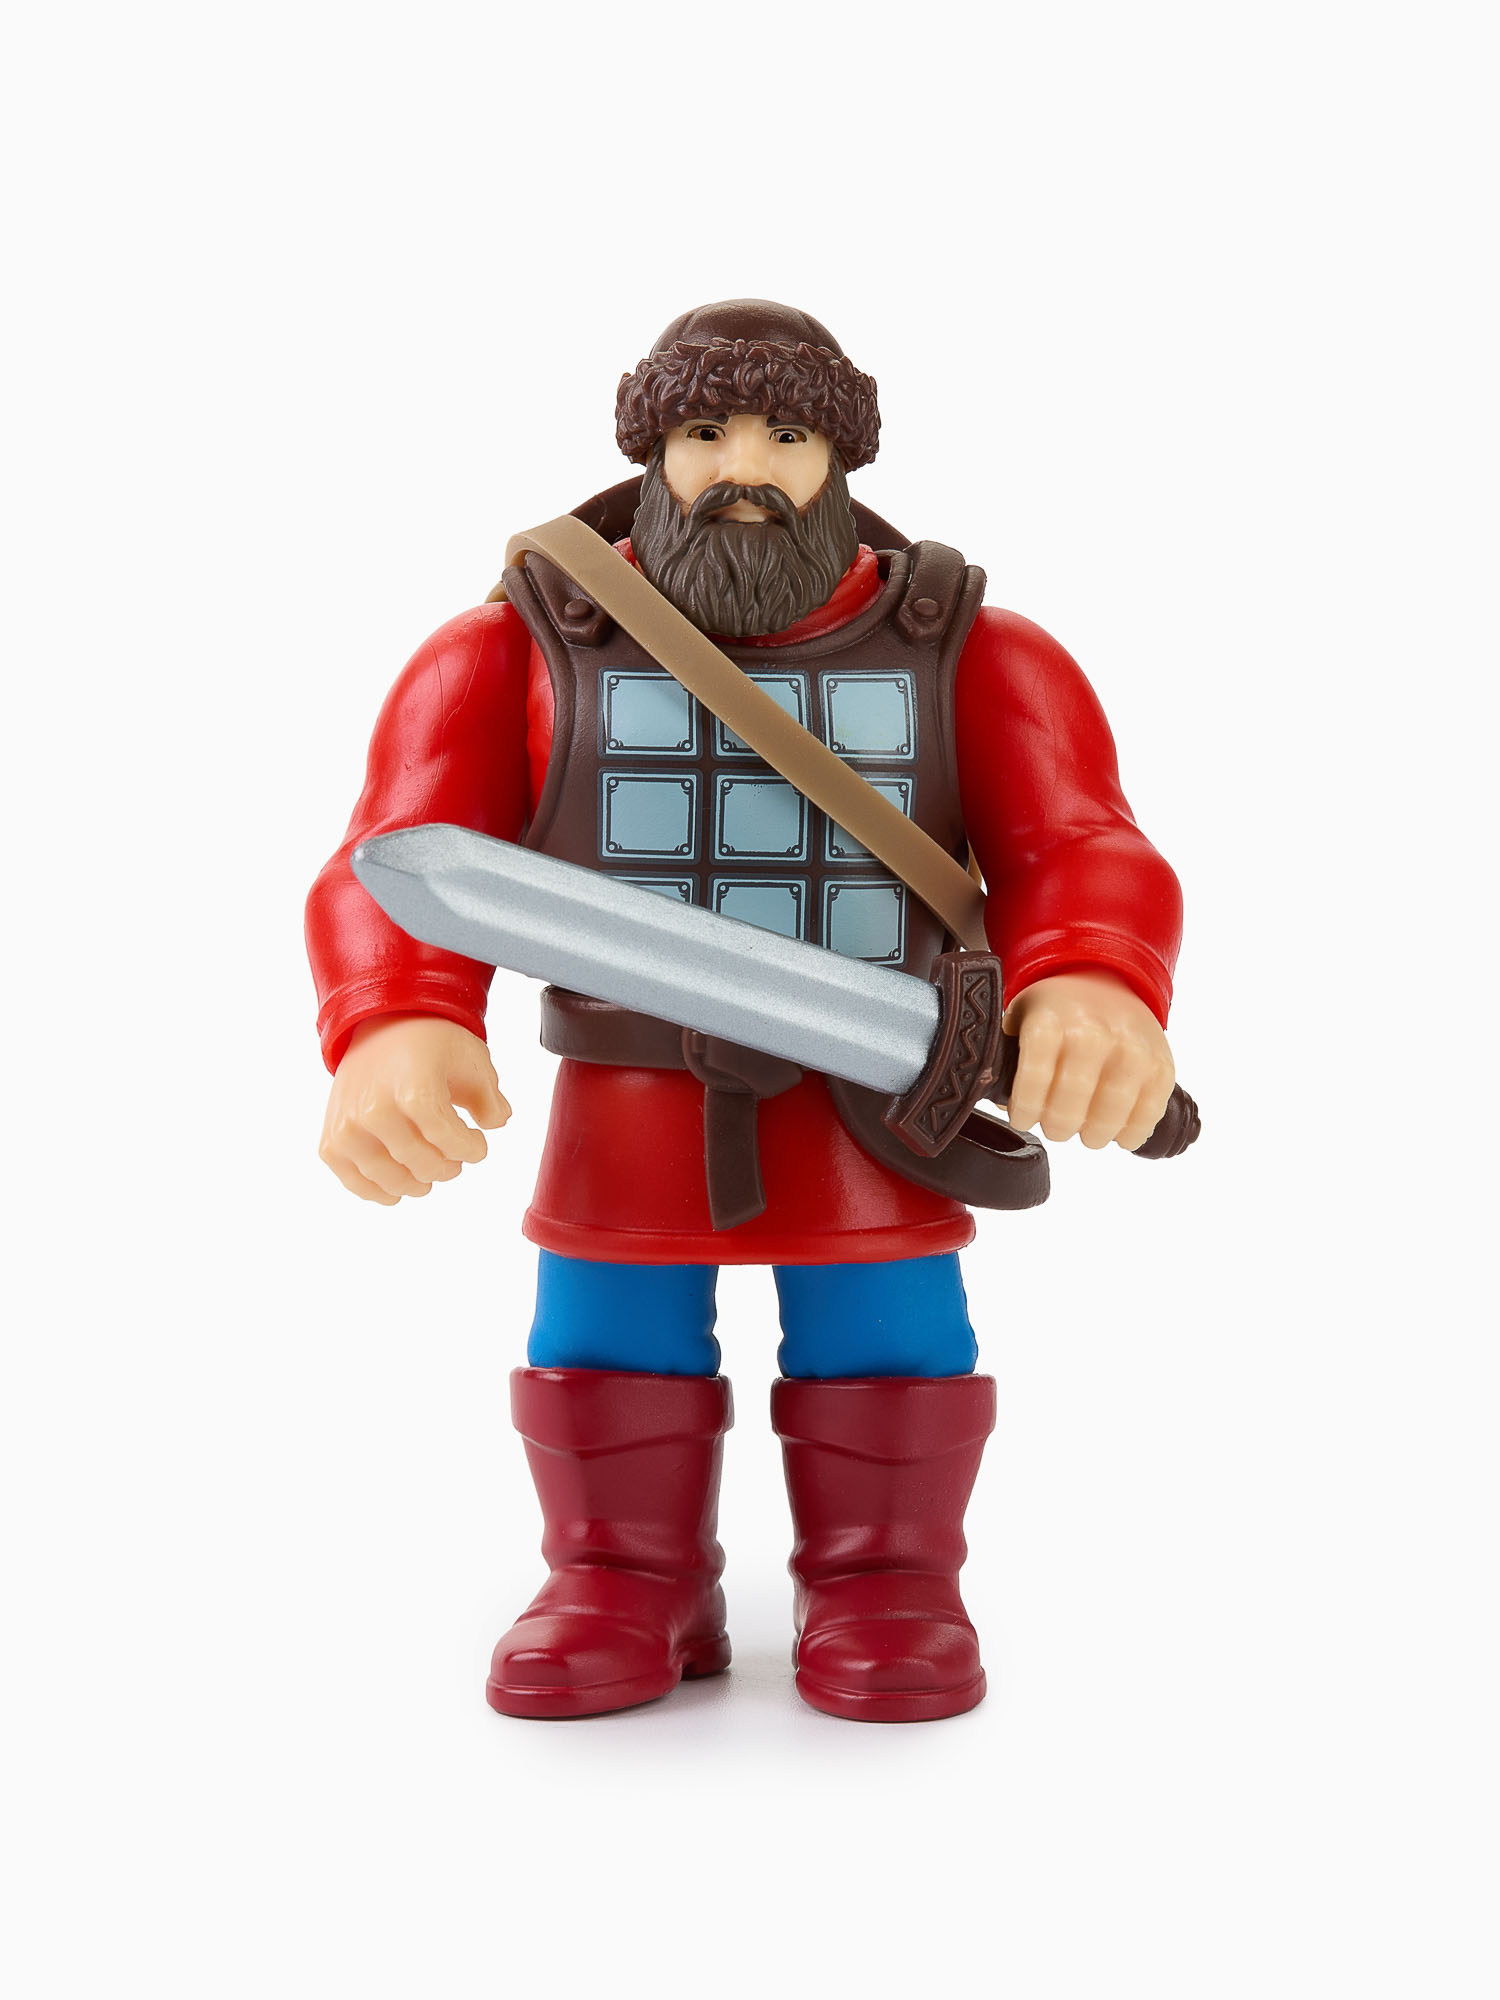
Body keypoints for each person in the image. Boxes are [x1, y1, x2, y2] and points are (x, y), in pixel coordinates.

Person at [307, 299, 1183, 1723]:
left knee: (884, 1323)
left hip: (875, 1086)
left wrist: (1091, 977)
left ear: (842, 458)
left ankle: (890, 1578)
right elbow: (396, 852)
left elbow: (1080, 846)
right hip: (631, 1084)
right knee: (608, 1323)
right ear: (652, 450)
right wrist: (397, 1016)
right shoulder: (518, 649)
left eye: (786, 435)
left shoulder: (969, 652)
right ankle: (619, 1573)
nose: (744, 468)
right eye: (707, 432)